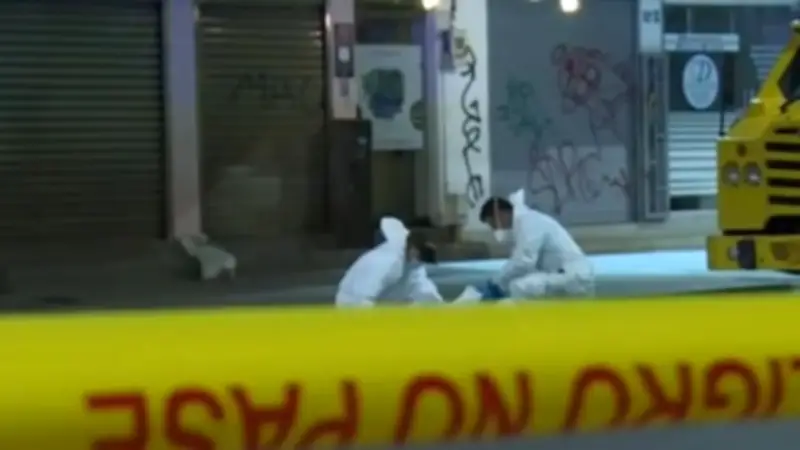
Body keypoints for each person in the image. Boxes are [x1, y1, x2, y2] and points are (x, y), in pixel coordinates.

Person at [471, 188, 594, 300]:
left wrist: (497, 284)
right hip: (566, 276)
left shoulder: (529, 222)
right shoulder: (524, 225)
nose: (495, 229)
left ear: (500, 214)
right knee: (523, 286)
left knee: (519, 287)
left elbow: (524, 262)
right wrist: (498, 282)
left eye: (493, 224)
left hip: (573, 277)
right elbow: (521, 263)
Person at [335, 216, 443, 307]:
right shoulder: (386, 261)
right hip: (353, 302)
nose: (421, 263)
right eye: (420, 257)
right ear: (413, 249)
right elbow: (364, 293)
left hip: (380, 302)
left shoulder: (413, 266)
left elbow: (423, 289)